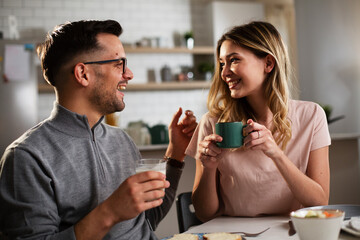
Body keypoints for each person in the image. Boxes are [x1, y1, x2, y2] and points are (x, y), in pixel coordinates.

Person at [0, 20, 197, 240]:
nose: (129, 74)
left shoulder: (122, 140)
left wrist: (176, 152)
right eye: (118, 64)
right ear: (83, 74)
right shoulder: (27, 157)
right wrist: (110, 212)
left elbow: (147, 221)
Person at [185, 21, 330, 222]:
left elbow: (320, 202)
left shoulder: (312, 116)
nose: (224, 72)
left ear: (268, 63)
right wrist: (208, 168)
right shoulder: (212, 123)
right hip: (233, 233)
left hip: (288, 232)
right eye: (222, 63)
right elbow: (204, 214)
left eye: (234, 60)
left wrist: (276, 154)